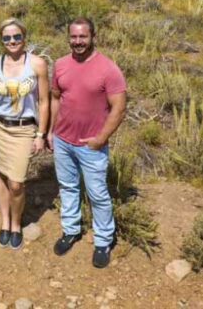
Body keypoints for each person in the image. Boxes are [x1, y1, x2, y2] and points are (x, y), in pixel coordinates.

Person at [50, 17, 127, 269]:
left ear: (93, 36)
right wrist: (51, 131)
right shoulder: (60, 64)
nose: (78, 41)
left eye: (83, 36)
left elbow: (119, 108)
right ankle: (71, 230)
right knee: (68, 187)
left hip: (90, 145)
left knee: (97, 194)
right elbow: (55, 98)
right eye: (74, 37)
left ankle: (103, 240)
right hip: (63, 140)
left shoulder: (108, 68)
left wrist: (101, 139)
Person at [0, 18, 49, 250]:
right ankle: (5, 221)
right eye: (7, 38)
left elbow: (44, 101)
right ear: (1, 40)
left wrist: (41, 134)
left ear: (24, 37)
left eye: (17, 37)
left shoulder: (38, 64)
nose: (12, 41)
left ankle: (17, 224)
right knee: (0, 175)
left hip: (24, 129)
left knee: (17, 182)